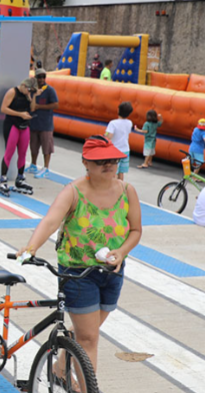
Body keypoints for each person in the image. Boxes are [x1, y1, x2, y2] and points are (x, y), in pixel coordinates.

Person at [16, 135, 141, 379]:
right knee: (88, 339)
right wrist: (31, 247)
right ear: (85, 162)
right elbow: (51, 220)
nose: (108, 165)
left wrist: (122, 251)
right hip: (77, 272)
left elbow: (135, 230)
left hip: (112, 272)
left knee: (88, 332)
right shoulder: (73, 192)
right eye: (100, 161)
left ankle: (60, 367)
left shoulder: (128, 191)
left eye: (113, 160)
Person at [0, 77, 36, 197]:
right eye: (29, 90)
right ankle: (3, 178)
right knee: (9, 152)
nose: (29, 92)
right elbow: (3, 108)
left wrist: (33, 97)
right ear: (24, 86)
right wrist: (20, 114)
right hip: (12, 125)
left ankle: (20, 177)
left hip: (24, 126)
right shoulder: (12, 92)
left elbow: (32, 108)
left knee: (23, 153)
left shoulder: (27, 95)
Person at [28, 68, 58, 178]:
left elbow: (56, 105)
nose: (41, 79)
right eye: (39, 77)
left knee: (46, 147)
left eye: (43, 77)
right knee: (33, 146)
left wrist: (40, 107)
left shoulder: (50, 90)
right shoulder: (32, 90)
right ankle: (33, 164)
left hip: (46, 124)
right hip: (34, 122)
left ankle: (46, 167)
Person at [104, 102, 134, 181]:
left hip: (115, 150)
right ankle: (121, 190)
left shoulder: (113, 123)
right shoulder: (129, 123)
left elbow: (109, 136)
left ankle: (114, 190)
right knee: (121, 173)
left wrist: (104, 136)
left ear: (118, 110)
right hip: (125, 150)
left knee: (114, 172)